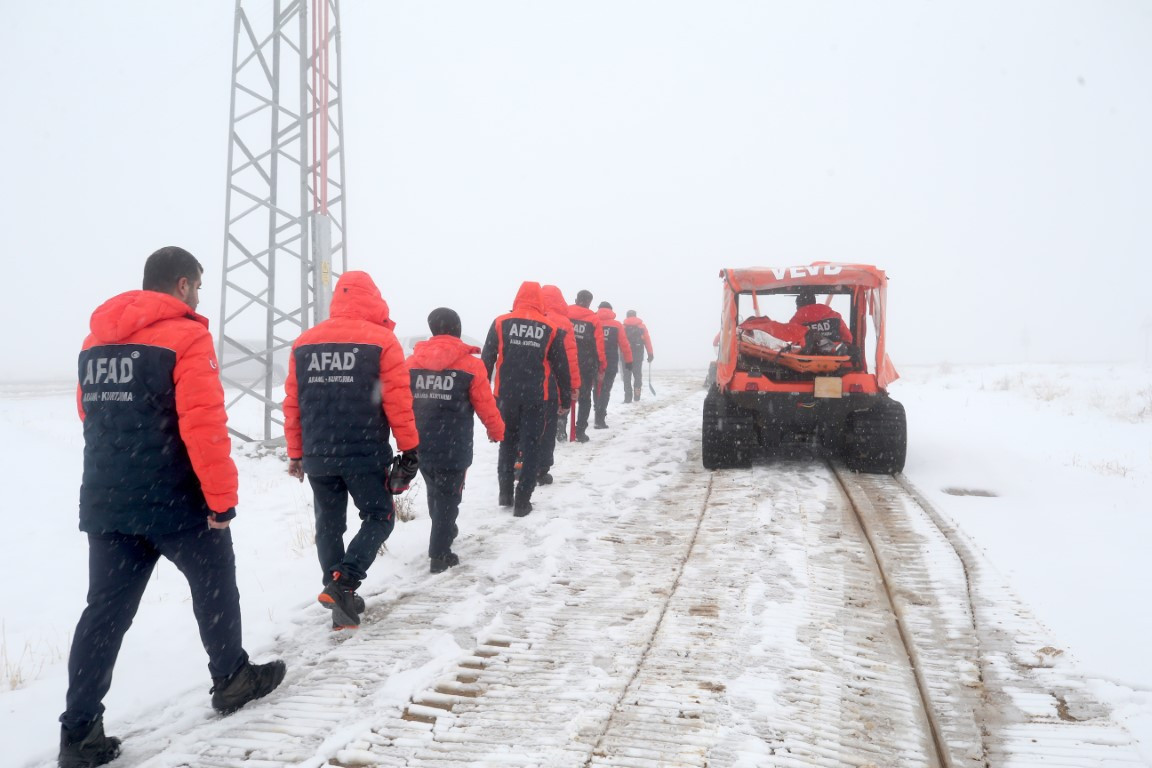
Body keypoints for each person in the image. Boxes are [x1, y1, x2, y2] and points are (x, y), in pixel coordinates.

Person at [61, 246, 285, 768]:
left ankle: (78, 733)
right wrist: (221, 502)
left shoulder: (94, 343)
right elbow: (203, 427)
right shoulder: (187, 336)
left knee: (104, 614)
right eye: (199, 286)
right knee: (215, 586)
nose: (199, 295)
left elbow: (87, 414)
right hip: (176, 500)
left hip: (110, 501)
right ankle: (231, 680)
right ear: (183, 284)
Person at [283, 271, 419, 630]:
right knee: (380, 516)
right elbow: (398, 401)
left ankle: (337, 594)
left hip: (318, 454)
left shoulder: (304, 344)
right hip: (363, 451)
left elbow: (293, 404)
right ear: (374, 299)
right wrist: (409, 448)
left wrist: (296, 454)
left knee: (328, 524)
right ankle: (344, 582)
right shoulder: (382, 341)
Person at [407, 308, 505, 573]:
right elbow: (485, 403)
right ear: (458, 329)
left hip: (420, 441)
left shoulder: (412, 363)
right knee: (449, 497)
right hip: (454, 444)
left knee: (434, 492)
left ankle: (445, 529)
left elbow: (399, 401)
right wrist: (497, 431)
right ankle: (439, 553)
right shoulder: (471, 366)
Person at [482, 281, 572, 516]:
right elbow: (561, 367)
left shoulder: (501, 322)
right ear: (539, 301)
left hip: (505, 395)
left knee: (507, 442)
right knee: (531, 445)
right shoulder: (549, 327)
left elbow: (487, 359)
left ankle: (505, 492)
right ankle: (523, 500)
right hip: (536, 396)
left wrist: (481, 394)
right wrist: (565, 398)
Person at [540, 285, 581, 481]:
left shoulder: (529, 317)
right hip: (554, 380)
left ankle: (520, 458)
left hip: (525, 381)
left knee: (526, 424)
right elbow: (570, 357)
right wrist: (574, 386)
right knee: (549, 423)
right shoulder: (564, 322)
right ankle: (543, 465)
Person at [566, 289, 606, 441]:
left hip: (565, 361)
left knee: (564, 395)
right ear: (590, 302)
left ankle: (561, 428)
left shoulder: (566, 313)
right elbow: (599, 345)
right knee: (584, 398)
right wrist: (602, 364)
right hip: (586, 364)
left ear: (576, 298)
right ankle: (580, 431)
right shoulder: (594, 319)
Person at [593, 301, 633, 428]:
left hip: (593, 360)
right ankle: (600, 416)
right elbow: (624, 344)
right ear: (611, 310)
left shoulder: (593, 321)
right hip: (610, 361)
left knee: (596, 387)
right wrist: (629, 360)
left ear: (599, 309)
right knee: (605, 389)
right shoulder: (616, 325)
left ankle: (596, 410)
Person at [789, 288, 853, 353]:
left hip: (804, 359)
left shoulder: (796, 321)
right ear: (814, 302)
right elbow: (848, 339)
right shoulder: (835, 316)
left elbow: (794, 343)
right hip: (834, 358)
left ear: (799, 306)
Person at [622, 310, 654, 402]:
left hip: (625, 354)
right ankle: (637, 394)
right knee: (637, 374)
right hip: (638, 354)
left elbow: (619, 340)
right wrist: (650, 353)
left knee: (627, 376)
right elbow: (647, 340)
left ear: (627, 316)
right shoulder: (642, 327)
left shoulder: (623, 326)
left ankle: (628, 397)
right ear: (635, 316)